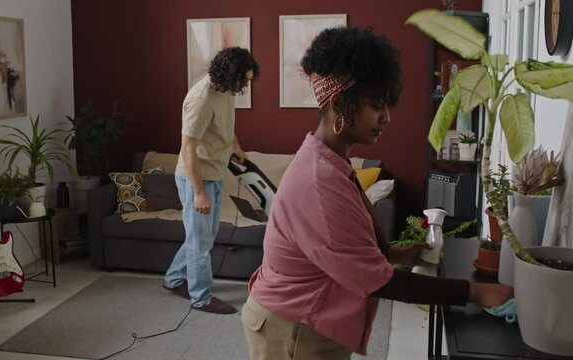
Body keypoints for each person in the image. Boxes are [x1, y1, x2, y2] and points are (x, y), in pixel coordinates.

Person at [241, 27, 513, 359]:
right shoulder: (319, 182)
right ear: (340, 103)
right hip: (293, 330)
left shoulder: (331, 161)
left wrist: (395, 253)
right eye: (376, 105)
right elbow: (380, 282)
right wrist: (474, 292)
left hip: (304, 320)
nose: (387, 117)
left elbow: (339, 245)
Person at [162, 47, 259, 315]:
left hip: (214, 173)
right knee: (200, 240)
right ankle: (200, 296)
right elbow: (188, 147)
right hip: (196, 178)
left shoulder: (225, 90)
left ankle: (173, 278)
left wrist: (236, 147)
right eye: (244, 80)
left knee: (203, 236)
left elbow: (225, 126)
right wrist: (198, 192)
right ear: (231, 75)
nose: (245, 86)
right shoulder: (201, 99)